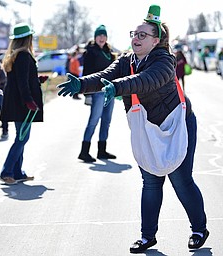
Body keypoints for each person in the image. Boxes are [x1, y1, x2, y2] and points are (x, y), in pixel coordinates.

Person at [56, 5, 209, 253]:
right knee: (150, 182)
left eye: (142, 35)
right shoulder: (126, 60)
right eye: (134, 34)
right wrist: (81, 84)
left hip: (176, 124)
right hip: (146, 127)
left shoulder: (165, 61)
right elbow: (106, 75)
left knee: (180, 180)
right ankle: (147, 236)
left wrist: (116, 88)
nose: (135, 39)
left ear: (156, 40)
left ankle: (199, 229)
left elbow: (145, 81)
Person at [0, 23, 45, 185]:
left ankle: (17, 172)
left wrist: (38, 80)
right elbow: (22, 83)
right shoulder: (24, 55)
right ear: (28, 39)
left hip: (16, 102)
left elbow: (23, 78)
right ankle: (7, 172)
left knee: (21, 137)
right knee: (22, 138)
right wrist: (29, 101)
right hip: (21, 104)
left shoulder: (15, 55)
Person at [78, 24, 117, 162]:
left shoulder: (109, 52)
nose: (102, 38)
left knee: (106, 120)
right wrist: (87, 93)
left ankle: (102, 150)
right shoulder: (90, 52)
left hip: (109, 92)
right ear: (95, 37)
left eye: (104, 35)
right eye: (99, 35)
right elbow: (86, 73)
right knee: (94, 120)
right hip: (96, 91)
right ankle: (84, 151)